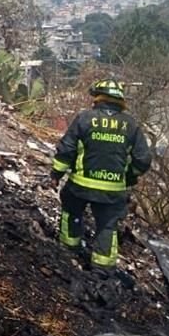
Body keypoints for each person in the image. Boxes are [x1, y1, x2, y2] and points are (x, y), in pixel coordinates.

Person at [48, 79, 152, 273]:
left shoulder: (85, 118)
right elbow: (143, 160)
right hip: (112, 191)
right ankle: (102, 269)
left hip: (80, 186)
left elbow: (67, 149)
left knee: (72, 211)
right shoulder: (131, 125)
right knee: (107, 226)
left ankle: (69, 252)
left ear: (98, 97)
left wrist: (56, 174)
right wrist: (129, 177)